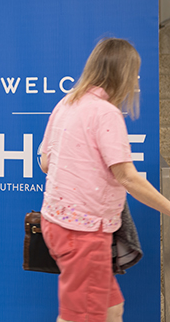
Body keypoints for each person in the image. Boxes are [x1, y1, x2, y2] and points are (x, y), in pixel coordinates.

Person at [39, 38, 170, 322]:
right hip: (83, 233)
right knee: (80, 317)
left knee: (112, 309)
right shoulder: (106, 113)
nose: (136, 78)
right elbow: (128, 178)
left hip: (57, 224)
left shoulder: (67, 102)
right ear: (120, 73)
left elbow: (46, 163)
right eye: (134, 71)